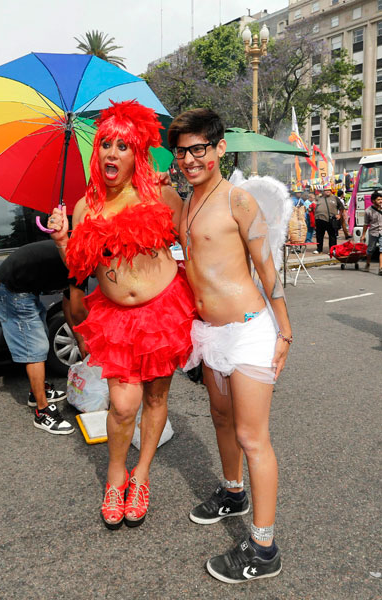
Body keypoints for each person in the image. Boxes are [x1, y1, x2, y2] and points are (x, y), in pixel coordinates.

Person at [48, 100, 196, 530]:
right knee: (123, 405)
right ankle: (116, 477)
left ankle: (142, 475)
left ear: (138, 154)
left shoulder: (162, 196)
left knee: (156, 398)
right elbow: (79, 269)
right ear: (97, 153)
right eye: (106, 144)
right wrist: (62, 240)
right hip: (116, 318)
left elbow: (197, 242)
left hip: (163, 311)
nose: (112, 153)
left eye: (123, 146)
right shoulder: (84, 207)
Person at [167, 108, 292, 584]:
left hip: (249, 331)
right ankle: (233, 491)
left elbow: (266, 267)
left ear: (220, 149)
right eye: (182, 150)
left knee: (251, 436)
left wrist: (284, 331)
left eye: (199, 148)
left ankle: (264, 548)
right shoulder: (188, 201)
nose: (190, 158)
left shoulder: (237, 200)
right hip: (210, 334)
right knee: (220, 418)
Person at [0, 240, 75, 435]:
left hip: (24, 290)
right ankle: (42, 411)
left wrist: (79, 339)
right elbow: (76, 309)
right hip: (10, 290)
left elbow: (69, 307)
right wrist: (84, 342)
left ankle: (38, 392)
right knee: (35, 348)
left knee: (40, 337)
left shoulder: (79, 260)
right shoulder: (77, 260)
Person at [313, 183, 344, 254]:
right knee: (319, 235)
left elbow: (341, 207)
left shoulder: (335, 198)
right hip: (319, 219)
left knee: (332, 235)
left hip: (331, 219)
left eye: (329, 190)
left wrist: (339, 215)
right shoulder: (319, 198)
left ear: (331, 191)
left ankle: (332, 250)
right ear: (323, 191)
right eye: (326, 190)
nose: (327, 191)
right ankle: (319, 249)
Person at [361, 189, 382, 275]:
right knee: (370, 250)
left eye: (381, 199)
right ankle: (368, 263)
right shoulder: (368, 211)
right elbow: (366, 224)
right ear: (373, 201)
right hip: (373, 232)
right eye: (378, 199)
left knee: (381, 250)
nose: (380, 201)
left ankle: (381, 268)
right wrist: (363, 235)